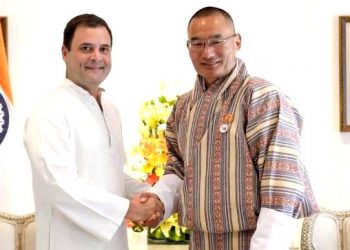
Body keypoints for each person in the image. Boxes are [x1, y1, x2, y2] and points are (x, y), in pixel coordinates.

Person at [142, 6, 318, 250]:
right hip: (199, 242)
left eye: (216, 41)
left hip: (252, 242)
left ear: (237, 42)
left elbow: (281, 182)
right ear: (188, 47)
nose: (208, 52)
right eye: (197, 43)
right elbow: (178, 168)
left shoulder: (261, 96)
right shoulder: (183, 107)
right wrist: (158, 201)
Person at [23, 14, 163, 250]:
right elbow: (58, 185)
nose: (96, 57)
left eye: (104, 49)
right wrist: (129, 208)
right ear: (64, 53)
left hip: (113, 242)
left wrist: (154, 197)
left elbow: (112, 176)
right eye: (86, 48)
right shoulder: (49, 110)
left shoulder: (110, 109)